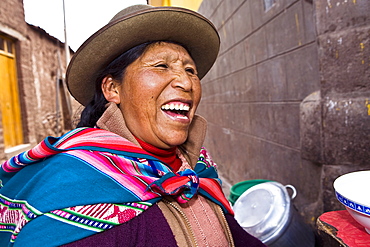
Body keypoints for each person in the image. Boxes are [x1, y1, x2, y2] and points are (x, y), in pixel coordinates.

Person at [0, 5, 266, 247]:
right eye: (161, 66)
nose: (186, 83)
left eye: (190, 70)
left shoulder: (195, 166)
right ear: (113, 88)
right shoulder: (76, 184)